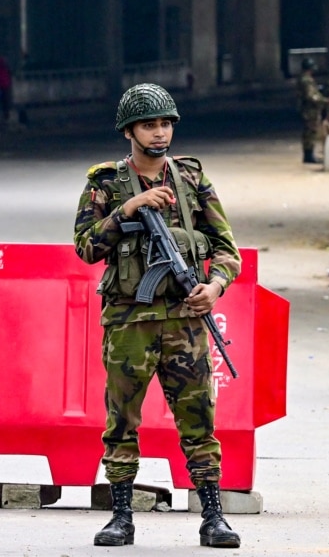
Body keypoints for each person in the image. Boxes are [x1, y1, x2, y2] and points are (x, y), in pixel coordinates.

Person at [72, 83, 243, 549]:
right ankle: (121, 516)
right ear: (130, 131)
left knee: (198, 419)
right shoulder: (105, 182)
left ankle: (212, 515)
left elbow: (227, 248)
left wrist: (216, 286)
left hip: (185, 321)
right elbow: (86, 247)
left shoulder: (191, 178)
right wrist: (127, 209)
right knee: (122, 420)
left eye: (166, 123)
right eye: (150, 124)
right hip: (129, 322)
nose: (160, 132)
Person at [296, 57, 329, 164]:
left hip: (308, 109)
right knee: (310, 132)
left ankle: (309, 154)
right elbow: (311, 96)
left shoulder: (303, 78)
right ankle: (308, 155)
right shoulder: (306, 80)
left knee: (309, 132)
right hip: (310, 110)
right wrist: (325, 101)